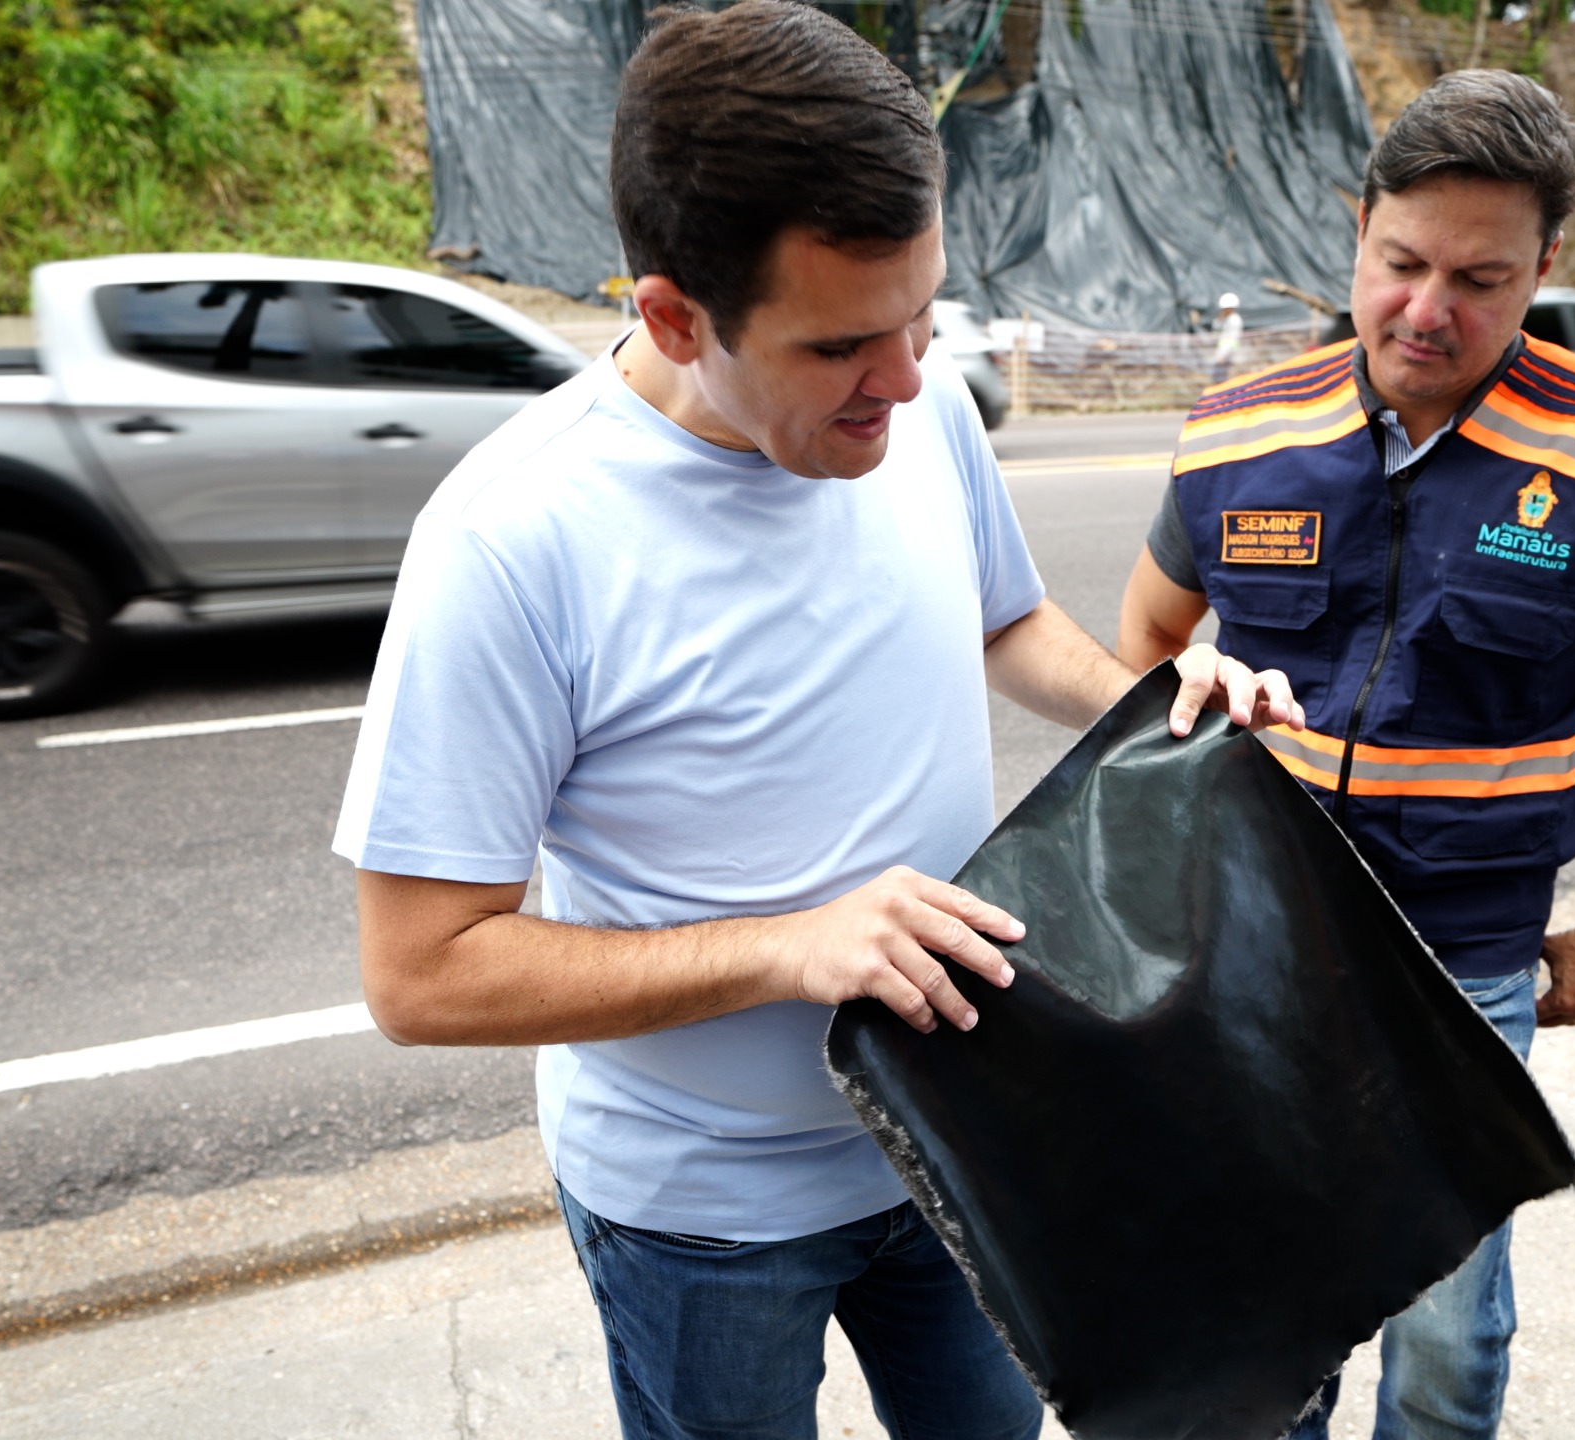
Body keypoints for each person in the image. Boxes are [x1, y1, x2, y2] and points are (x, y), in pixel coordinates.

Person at [333, 6, 1295, 1437]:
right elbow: (422, 975)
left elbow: (1002, 623)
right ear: (675, 317)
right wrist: (790, 948)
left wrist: (1161, 709)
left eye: (923, 315)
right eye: (842, 343)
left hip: (962, 1137)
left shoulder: (919, 407)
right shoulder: (509, 539)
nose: (904, 378)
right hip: (702, 1212)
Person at [1118, 69, 1575, 1439]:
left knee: (1448, 1333)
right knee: (1277, 1305)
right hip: (1256, 951)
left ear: (1544, 267)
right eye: (1400, 263)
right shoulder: (1239, 435)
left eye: (1480, 280)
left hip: (1467, 965)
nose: (1426, 310)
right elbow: (1149, 641)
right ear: (1358, 227)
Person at [1209, 290, 1245, 383]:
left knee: (1224, 378)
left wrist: (1223, 354)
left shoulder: (1235, 321)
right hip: (1222, 351)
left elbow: (1232, 339)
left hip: (1229, 353)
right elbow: (1216, 330)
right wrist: (1219, 320)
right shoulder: (1224, 319)